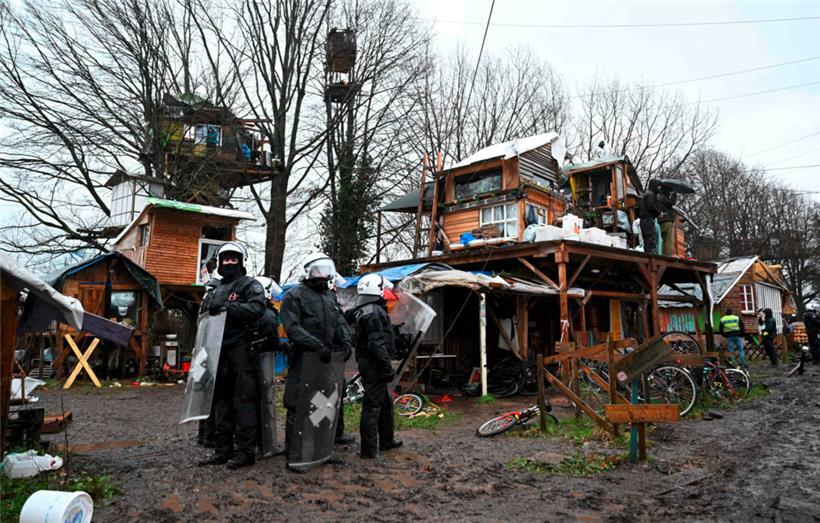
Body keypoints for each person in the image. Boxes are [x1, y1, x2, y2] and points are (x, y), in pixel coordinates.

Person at [279, 253, 354, 469]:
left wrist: (346, 342)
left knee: (326, 401)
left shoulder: (329, 297)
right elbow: (293, 328)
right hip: (303, 359)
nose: (322, 275)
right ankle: (294, 453)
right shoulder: (294, 296)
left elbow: (339, 321)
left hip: (327, 360)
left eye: (326, 270)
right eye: (318, 271)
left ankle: (323, 449)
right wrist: (315, 345)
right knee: (297, 402)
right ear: (309, 273)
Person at [198, 242, 267, 469]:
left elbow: (257, 309)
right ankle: (222, 450)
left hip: (242, 351)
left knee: (244, 402)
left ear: (240, 261)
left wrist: (229, 308)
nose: (229, 263)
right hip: (217, 351)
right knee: (221, 404)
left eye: (233, 259)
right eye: (225, 259)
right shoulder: (214, 289)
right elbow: (204, 318)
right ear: (220, 262)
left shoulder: (250, 285)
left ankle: (246, 452)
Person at [353, 274, 403, 459]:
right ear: (376, 289)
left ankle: (386, 441)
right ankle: (368, 450)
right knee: (372, 407)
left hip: (372, 364)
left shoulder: (368, 309)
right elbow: (376, 344)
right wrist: (386, 367)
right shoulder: (373, 312)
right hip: (374, 366)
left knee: (385, 404)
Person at [639, 179, 662, 255]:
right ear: (655, 186)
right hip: (647, 219)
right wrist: (659, 212)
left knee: (648, 239)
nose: (660, 188)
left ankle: (649, 254)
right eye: (659, 186)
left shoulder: (648, 194)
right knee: (650, 238)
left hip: (645, 219)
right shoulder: (650, 195)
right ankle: (652, 256)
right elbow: (651, 206)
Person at [656, 185, 677, 256]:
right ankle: (667, 256)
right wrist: (674, 194)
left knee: (661, 240)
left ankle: (660, 254)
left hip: (659, 221)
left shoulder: (657, 196)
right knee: (668, 240)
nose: (669, 192)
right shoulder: (663, 197)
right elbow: (671, 203)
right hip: (667, 221)